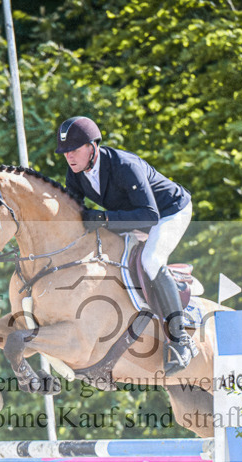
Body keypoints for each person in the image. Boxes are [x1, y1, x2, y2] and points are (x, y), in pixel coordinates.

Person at [55, 115, 196, 375]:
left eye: (74, 150)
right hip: (133, 217)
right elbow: (75, 214)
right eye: (65, 152)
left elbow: (149, 216)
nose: (69, 157)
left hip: (168, 212)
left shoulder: (123, 165)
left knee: (150, 261)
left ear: (92, 146)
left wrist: (105, 219)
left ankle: (181, 339)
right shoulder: (76, 173)